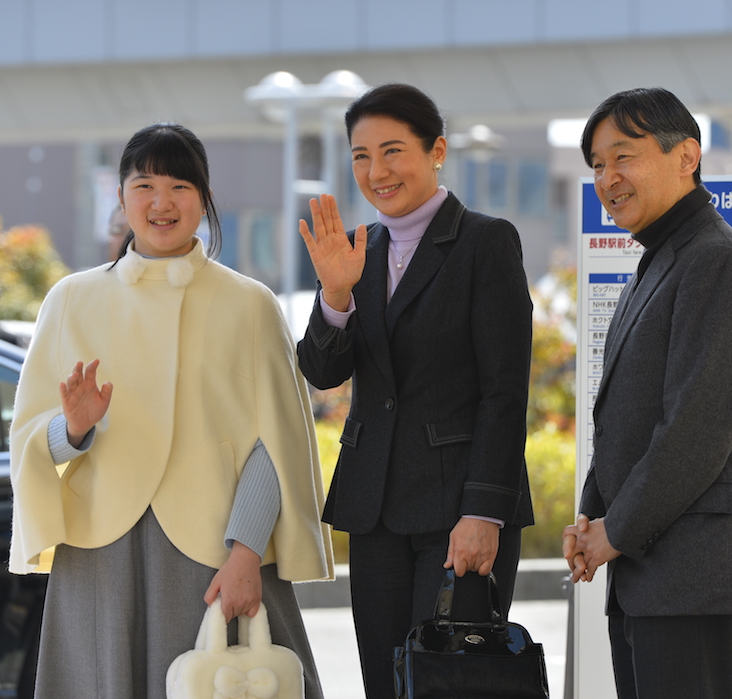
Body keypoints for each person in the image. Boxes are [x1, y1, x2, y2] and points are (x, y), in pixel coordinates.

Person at [9, 122, 333, 699]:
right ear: (121, 197)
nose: (162, 202)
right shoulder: (71, 301)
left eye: (180, 186)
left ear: (204, 198)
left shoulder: (250, 304)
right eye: (145, 185)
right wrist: (74, 429)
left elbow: (277, 444)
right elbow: (34, 438)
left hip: (215, 551)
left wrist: (246, 553)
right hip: (100, 558)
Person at [297, 83, 534, 699]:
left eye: (393, 150)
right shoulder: (356, 251)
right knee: (386, 683)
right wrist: (336, 297)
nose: (376, 171)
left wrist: (485, 512)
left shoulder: (485, 242)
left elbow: (504, 393)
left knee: (451, 683)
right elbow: (321, 373)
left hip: (458, 511)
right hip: (374, 510)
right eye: (360, 155)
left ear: (437, 152)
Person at [563, 88, 732, 699]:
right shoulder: (657, 261)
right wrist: (590, 514)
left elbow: (695, 430)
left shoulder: (715, 261)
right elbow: (625, 414)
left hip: (691, 572)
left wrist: (615, 529)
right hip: (649, 571)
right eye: (597, 165)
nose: (607, 178)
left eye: (622, 157)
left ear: (687, 155)